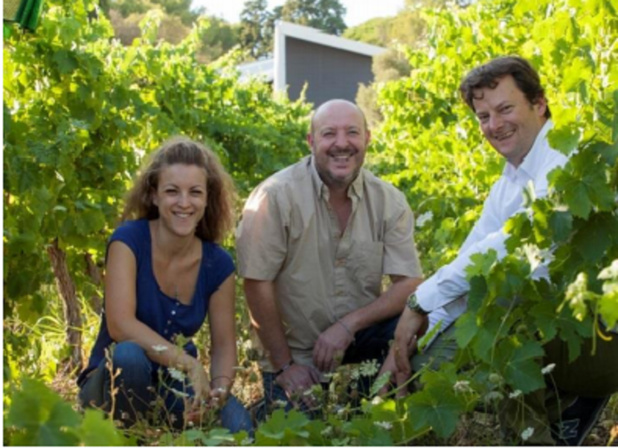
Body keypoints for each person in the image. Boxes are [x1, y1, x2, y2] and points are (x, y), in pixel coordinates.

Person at [390, 56, 618, 445]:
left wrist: (417, 303)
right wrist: (411, 344)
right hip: (568, 330)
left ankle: (556, 415)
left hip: (602, 338)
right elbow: (471, 259)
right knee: (429, 367)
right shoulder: (508, 182)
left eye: (505, 108)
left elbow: (520, 248)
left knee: (509, 312)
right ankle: (563, 405)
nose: (494, 125)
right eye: (483, 116)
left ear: (539, 103)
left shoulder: (568, 160)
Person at [235, 99, 424, 413]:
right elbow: (256, 285)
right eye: (328, 134)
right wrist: (284, 367)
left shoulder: (389, 200)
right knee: (301, 432)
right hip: (297, 358)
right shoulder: (275, 197)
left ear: (367, 138)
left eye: (352, 132)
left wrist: (348, 326)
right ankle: (267, 406)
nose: (341, 144)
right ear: (311, 142)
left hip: (362, 345)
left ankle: (381, 401)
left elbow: (410, 283)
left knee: (423, 319)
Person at [77, 137, 252, 433]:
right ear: (154, 196)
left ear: (208, 199)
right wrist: (190, 364)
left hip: (172, 386)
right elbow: (121, 326)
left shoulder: (218, 264)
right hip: (111, 386)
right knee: (129, 356)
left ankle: (177, 426)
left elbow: (223, 346)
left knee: (239, 425)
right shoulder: (128, 241)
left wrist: (217, 395)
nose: (184, 203)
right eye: (172, 191)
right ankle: (129, 439)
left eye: (195, 192)